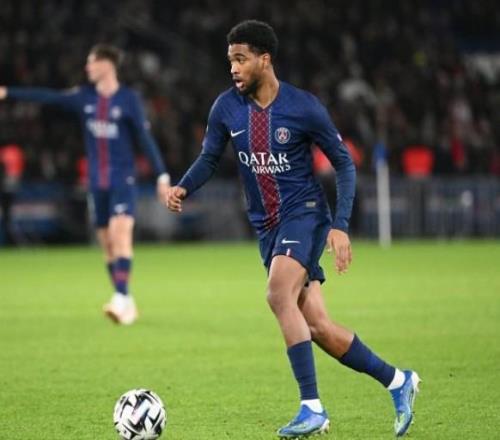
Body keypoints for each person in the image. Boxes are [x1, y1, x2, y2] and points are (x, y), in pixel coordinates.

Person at [166, 20, 420, 438]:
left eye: (241, 59)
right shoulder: (226, 108)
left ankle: (312, 408)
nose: (233, 68)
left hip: (304, 213)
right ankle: (398, 381)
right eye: (230, 60)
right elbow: (210, 157)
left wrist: (340, 225)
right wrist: (184, 186)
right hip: (266, 228)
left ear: (265, 60)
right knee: (317, 326)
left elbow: (343, 163)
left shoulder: (303, 107)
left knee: (277, 293)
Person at [0, 44, 170, 325]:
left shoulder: (129, 99)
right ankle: (126, 300)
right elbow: (48, 97)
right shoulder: (84, 97)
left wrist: (161, 176)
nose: (87, 67)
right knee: (107, 245)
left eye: (92, 62)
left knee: (120, 234)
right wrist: (8, 92)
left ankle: (120, 296)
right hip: (96, 182)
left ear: (107, 64)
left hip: (122, 180)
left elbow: (145, 139)